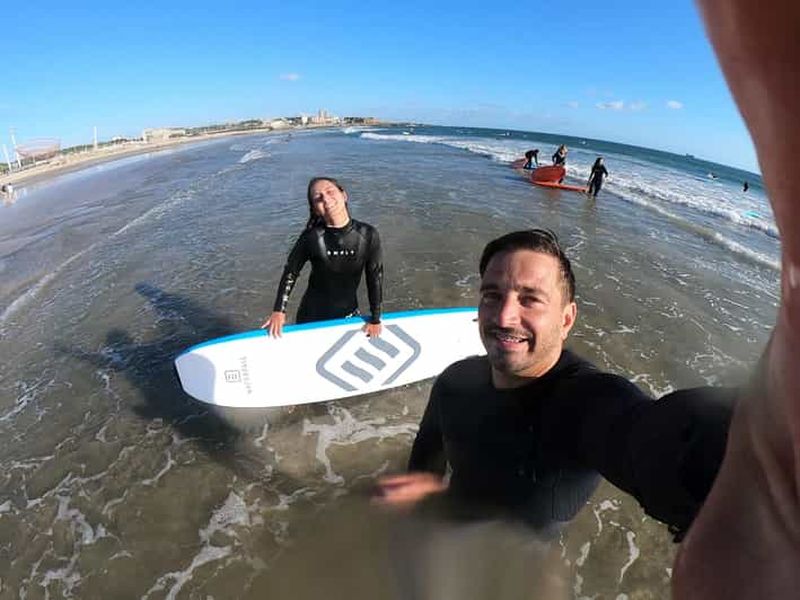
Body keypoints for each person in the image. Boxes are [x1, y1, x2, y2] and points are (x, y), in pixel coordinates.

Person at [377, 229, 732, 541]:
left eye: (530, 299)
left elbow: (651, 440)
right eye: (492, 295)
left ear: (566, 319)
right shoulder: (454, 380)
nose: (504, 316)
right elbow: (425, 459)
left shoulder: (582, 402)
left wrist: (741, 454)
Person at [261, 177, 383, 338]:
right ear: (315, 209)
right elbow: (291, 272)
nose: (325, 199)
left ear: (344, 195)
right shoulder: (311, 237)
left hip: (349, 315)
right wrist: (279, 311)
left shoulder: (368, 234)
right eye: (318, 198)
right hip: (311, 319)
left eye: (330, 192)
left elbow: (375, 276)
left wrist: (375, 318)